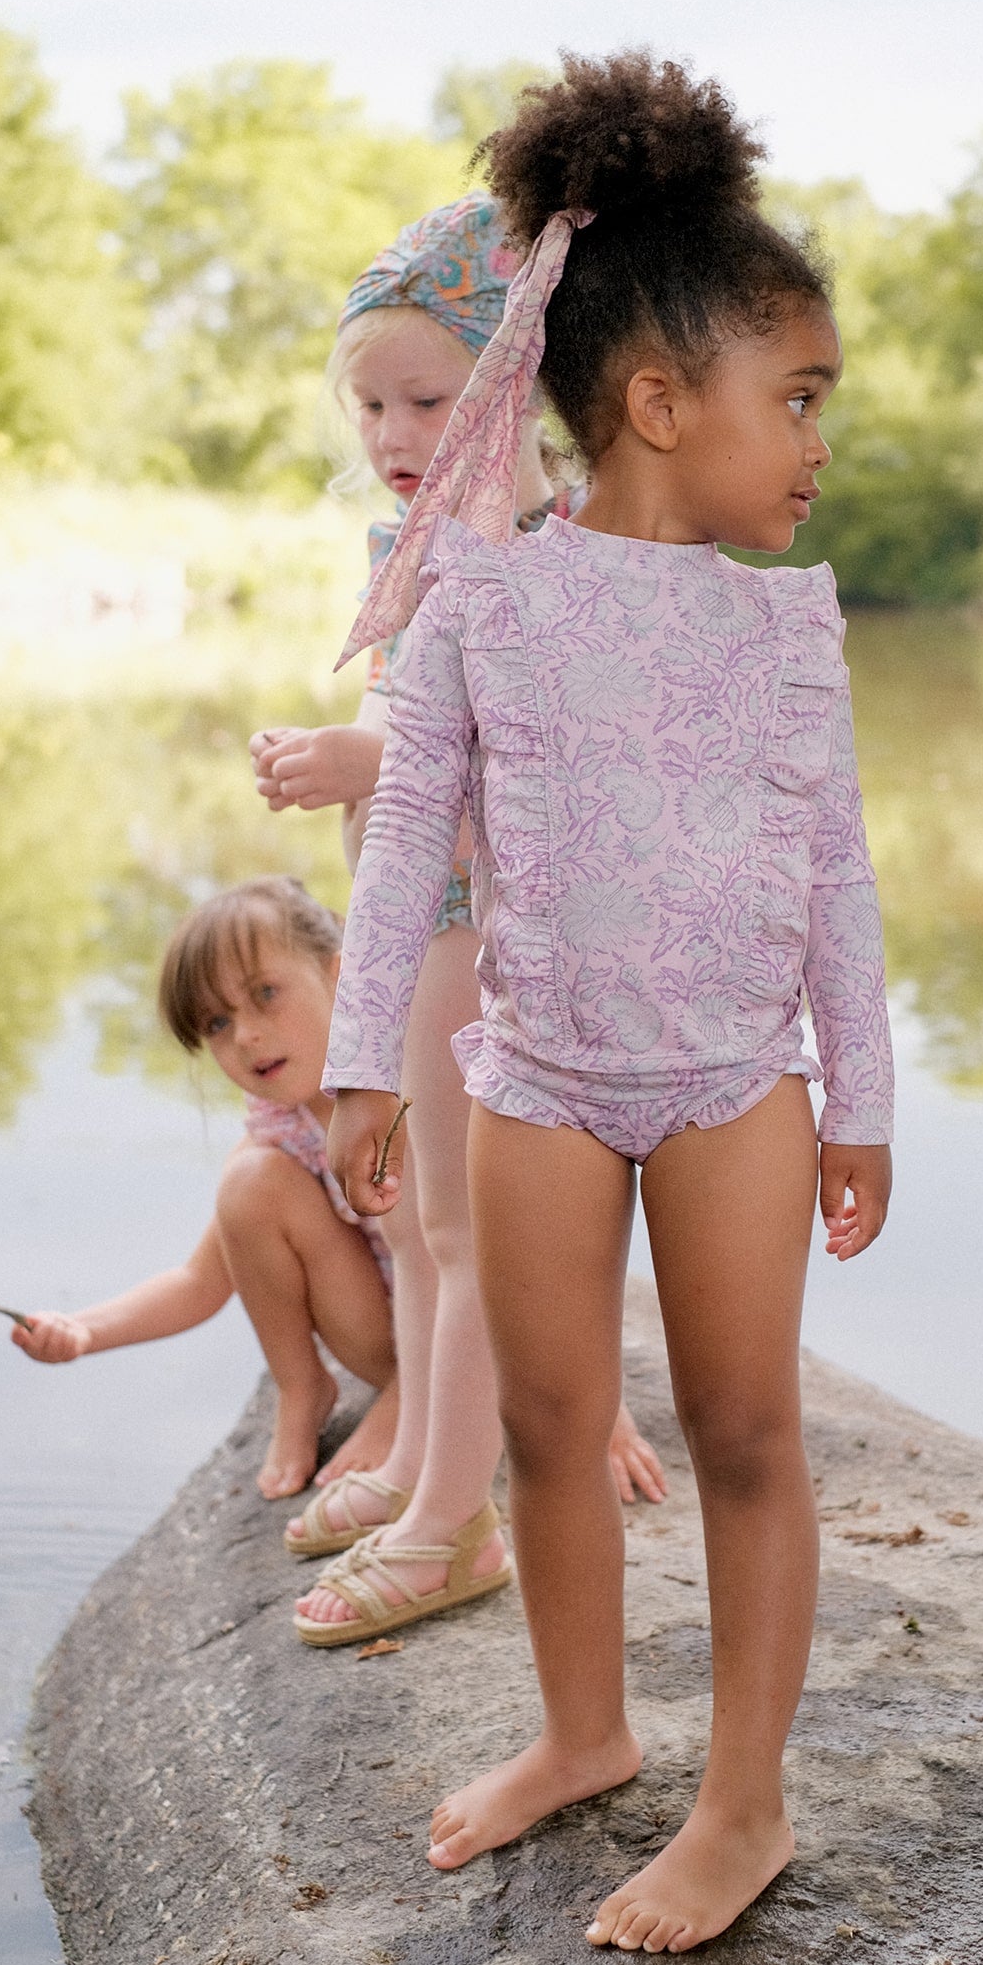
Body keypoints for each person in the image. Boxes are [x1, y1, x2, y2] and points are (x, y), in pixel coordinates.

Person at [322, 54, 894, 1956]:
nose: (819, 442)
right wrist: (354, 1067)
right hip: (544, 1078)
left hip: (741, 1085)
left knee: (745, 1428)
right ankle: (585, 1733)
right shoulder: (484, 598)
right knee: (552, 1424)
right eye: (797, 399)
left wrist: (864, 1099)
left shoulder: (785, 623)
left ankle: (746, 1805)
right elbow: (410, 831)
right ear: (660, 402)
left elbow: (835, 876)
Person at [249, 195, 666, 1646]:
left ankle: (450, 1520)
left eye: (424, 397)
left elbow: (552, 767)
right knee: (423, 1218)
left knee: (476, 1228)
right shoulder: (430, 544)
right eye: (367, 403)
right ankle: (430, 1470)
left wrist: (368, 760)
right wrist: (348, 760)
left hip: (491, 929)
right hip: (414, 915)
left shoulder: (546, 554)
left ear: (511, 393)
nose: (389, 430)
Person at [9, 878, 400, 1504]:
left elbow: (522, 1251)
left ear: (340, 976)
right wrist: (81, 1331)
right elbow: (199, 1283)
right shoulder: (286, 1129)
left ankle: (421, 1397)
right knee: (248, 1183)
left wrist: (596, 1418)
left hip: (476, 1337)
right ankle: (302, 1389)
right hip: (388, 1342)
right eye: (218, 1022)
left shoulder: (408, 1090)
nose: (244, 1036)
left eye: (265, 995)